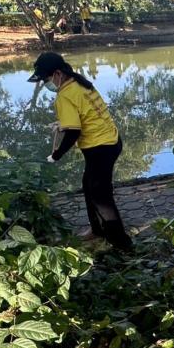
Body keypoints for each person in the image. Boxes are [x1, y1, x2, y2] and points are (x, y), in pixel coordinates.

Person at [30, 51, 133, 250]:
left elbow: (74, 133)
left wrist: (56, 155)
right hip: (111, 141)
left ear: (58, 74)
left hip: (99, 148)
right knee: (88, 186)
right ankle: (97, 230)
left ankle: (122, 244)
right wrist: (63, 123)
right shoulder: (80, 83)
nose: (45, 83)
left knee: (101, 196)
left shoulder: (64, 96)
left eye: (46, 78)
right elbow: (85, 114)